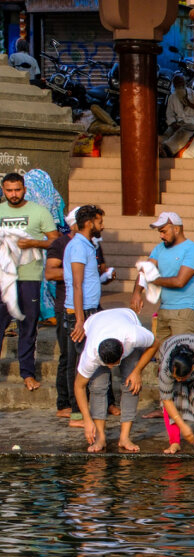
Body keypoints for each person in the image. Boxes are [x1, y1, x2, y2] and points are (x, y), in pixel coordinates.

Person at [0, 171, 59, 391]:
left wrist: (33, 243)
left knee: (28, 326)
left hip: (29, 278)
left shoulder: (38, 211)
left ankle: (27, 373)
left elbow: (56, 241)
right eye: (9, 190)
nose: (13, 194)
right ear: (3, 190)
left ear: (24, 189)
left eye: (17, 190)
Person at [72, 308, 156, 453]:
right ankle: (100, 437)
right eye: (108, 365)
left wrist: (137, 372)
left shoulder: (134, 336)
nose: (111, 368)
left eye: (114, 364)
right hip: (95, 323)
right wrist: (86, 419)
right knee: (98, 386)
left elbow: (155, 344)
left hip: (126, 317)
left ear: (123, 352)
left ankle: (124, 437)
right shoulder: (91, 354)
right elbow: (79, 386)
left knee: (131, 384)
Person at [59, 205, 107, 423]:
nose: (102, 226)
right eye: (99, 221)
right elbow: (77, 284)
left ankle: (84, 410)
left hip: (90, 310)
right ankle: (77, 413)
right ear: (89, 223)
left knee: (85, 359)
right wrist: (79, 320)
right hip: (80, 312)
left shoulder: (88, 245)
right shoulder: (78, 246)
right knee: (77, 361)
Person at [132, 211, 194, 339]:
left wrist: (153, 280)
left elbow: (179, 282)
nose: (161, 235)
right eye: (159, 232)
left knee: (180, 353)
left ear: (176, 229)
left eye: (164, 231)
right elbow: (145, 270)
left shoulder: (193, 249)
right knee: (161, 353)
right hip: (163, 309)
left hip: (184, 311)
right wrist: (137, 293)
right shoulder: (159, 248)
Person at [161, 74, 194, 157]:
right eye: (177, 84)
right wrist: (173, 123)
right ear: (174, 85)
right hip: (178, 123)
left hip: (192, 123)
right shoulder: (172, 97)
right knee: (168, 133)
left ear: (185, 83)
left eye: (181, 82)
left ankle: (168, 150)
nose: (179, 85)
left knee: (183, 133)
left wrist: (189, 104)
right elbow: (169, 114)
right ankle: (164, 150)